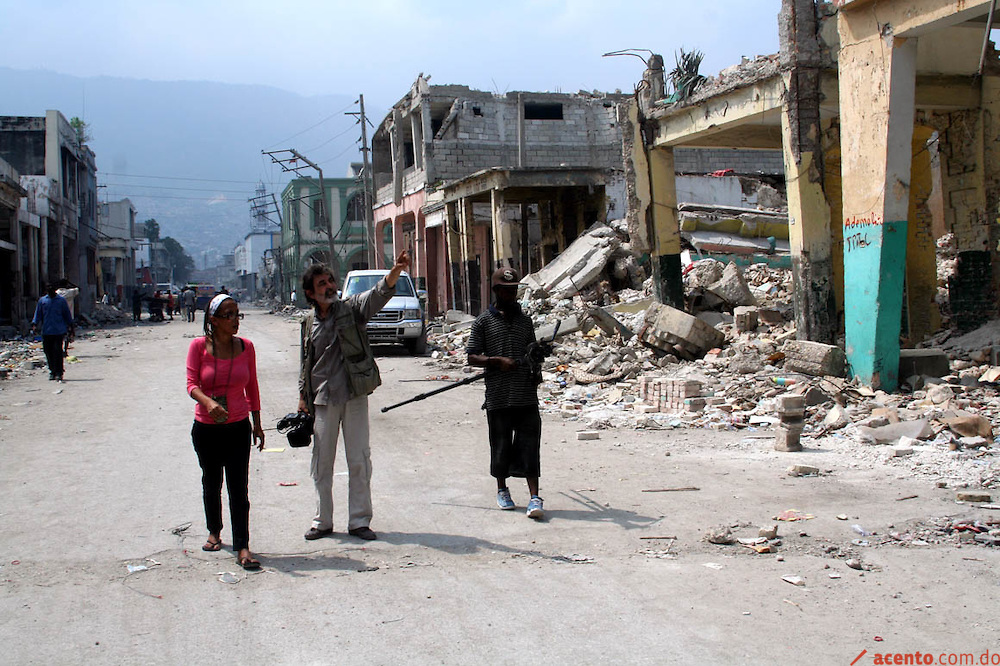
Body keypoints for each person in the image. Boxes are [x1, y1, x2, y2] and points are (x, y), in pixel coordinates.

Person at [297, 251, 410, 542]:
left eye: (331, 281)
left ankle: (359, 520)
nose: (330, 286)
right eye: (322, 283)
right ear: (311, 293)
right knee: (322, 463)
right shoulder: (308, 322)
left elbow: (377, 294)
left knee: (359, 459)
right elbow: (305, 361)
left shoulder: (351, 309)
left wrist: (395, 270)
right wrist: (302, 397)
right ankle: (322, 521)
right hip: (323, 398)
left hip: (354, 394)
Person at [185, 294, 265, 570]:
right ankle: (214, 531)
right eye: (228, 315)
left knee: (238, 487)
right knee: (211, 480)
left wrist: (257, 423)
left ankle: (243, 544)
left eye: (237, 314)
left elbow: (251, 386)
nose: (235, 321)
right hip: (206, 428)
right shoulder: (198, 347)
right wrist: (208, 403)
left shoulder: (247, 347)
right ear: (213, 320)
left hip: (237, 426)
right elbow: (191, 384)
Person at [466, 267, 545, 519]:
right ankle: (502, 489)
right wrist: (496, 361)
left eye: (514, 291)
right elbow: (472, 356)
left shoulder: (525, 321)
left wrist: (537, 360)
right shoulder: (483, 322)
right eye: (506, 290)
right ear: (496, 291)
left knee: (530, 445)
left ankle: (535, 497)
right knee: (500, 445)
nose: (511, 295)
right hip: (499, 395)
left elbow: (531, 351)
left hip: (525, 394)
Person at [31, 283, 75, 382]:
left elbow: (67, 315)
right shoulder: (42, 301)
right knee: (48, 352)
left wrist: (71, 328)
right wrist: (34, 324)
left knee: (57, 352)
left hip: (59, 331)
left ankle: (59, 372)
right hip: (46, 331)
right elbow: (38, 314)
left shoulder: (61, 301)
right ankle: (52, 371)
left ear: (55, 290)